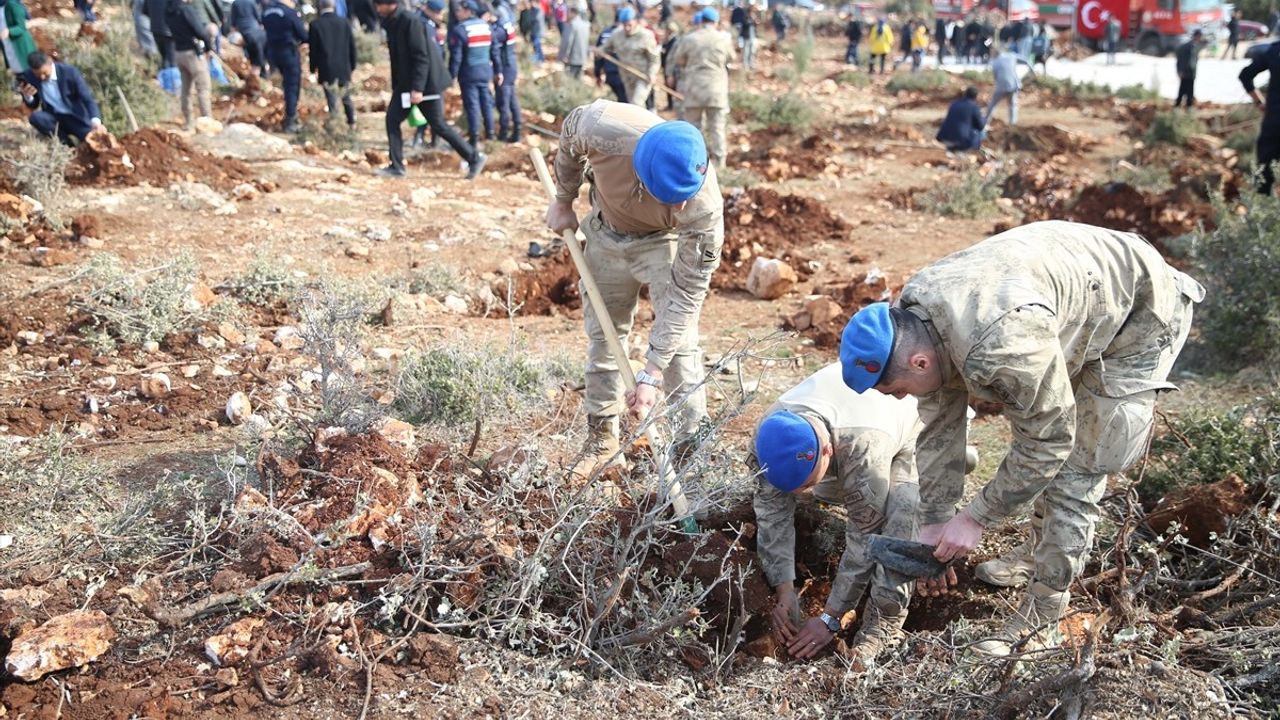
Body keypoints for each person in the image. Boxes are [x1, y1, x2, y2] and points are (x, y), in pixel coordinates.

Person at [839, 221, 1205, 657]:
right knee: (1043, 422)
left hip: (1138, 315)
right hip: (1066, 304)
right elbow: (940, 423)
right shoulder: (915, 317)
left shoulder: (999, 347)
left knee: (1077, 468)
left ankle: (1044, 615)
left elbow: (1049, 440)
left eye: (896, 388)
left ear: (918, 362)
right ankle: (1036, 550)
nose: (899, 397)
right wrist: (935, 518)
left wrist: (976, 518)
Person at [545, 100, 723, 478]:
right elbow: (568, 141)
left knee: (680, 348)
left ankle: (691, 448)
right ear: (641, 175)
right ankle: (601, 440)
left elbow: (688, 293)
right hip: (605, 234)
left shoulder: (703, 210)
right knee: (605, 339)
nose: (683, 203)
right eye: (671, 197)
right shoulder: (600, 127)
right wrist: (564, 199)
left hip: (661, 243)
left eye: (687, 194)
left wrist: (651, 371)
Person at [752, 364, 922, 664]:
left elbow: (864, 537)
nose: (796, 494)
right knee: (816, 493)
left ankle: (883, 626)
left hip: (916, 427)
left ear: (828, 451)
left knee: (902, 512)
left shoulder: (864, 450)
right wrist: (784, 588)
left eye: (804, 484)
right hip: (849, 445)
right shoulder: (770, 437)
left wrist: (831, 617)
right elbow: (771, 512)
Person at [375, 0, 484, 178]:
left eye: (379, 4)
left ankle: (474, 157)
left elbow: (421, 57)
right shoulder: (393, 22)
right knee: (392, 120)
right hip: (407, 85)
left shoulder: (410, 21)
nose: (377, 9)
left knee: (438, 125)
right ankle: (396, 166)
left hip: (426, 84)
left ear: (390, 4)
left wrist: (417, 88)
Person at [669, 7, 732, 168]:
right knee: (717, 126)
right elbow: (731, 57)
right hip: (716, 88)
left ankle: (696, 162)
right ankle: (720, 162)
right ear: (716, 22)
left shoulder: (690, 39)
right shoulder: (724, 38)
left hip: (694, 88)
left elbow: (679, 60)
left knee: (693, 128)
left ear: (701, 21)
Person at [19, 51, 104, 145]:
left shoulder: (69, 72)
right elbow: (34, 104)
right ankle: (67, 145)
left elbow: (87, 98)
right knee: (36, 117)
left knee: (93, 141)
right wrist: (28, 97)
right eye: (38, 75)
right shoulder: (30, 76)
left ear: (50, 62)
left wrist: (96, 121)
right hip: (54, 117)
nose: (42, 77)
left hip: (75, 116)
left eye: (45, 73)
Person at [449, 0, 501, 147]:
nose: (458, 13)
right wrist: (498, 71)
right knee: (486, 103)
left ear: (469, 11)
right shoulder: (487, 27)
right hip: (485, 71)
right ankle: (490, 134)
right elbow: (495, 52)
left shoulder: (460, 30)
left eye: (460, 10)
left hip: (469, 73)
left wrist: (452, 75)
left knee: (472, 105)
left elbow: (456, 57)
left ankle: (474, 137)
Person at [166, 0, 215, 130]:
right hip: (192, 54)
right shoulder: (186, 10)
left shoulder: (169, 10)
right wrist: (209, 47)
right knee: (203, 87)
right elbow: (200, 31)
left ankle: (189, 122)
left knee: (186, 89)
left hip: (178, 52)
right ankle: (207, 120)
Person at [309, 0, 357, 131]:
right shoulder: (345, 23)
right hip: (343, 66)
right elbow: (352, 47)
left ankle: (335, 125)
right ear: (334, 6)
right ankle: (352, 122)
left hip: (326, 67)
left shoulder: (315, 25)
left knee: (331, 99)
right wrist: (352, 65)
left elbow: (313, 50)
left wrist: (312, 68)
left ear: (320, 6)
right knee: (346, 96)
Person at [1240, 39, 1280, 194]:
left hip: (1274, 122)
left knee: (1264, 176)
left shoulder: (1274, 50)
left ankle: (1262, 214)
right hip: (1273, 122)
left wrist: (1259, 102)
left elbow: (1245, 75)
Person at [601, 6, 659, 107]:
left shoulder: (646, 36)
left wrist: (652, 73)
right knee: (631, 104)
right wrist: (599, 51)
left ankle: (643, 122)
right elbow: (605, 48)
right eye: (624, 25)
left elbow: (654, 58)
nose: (627, 28)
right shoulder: (617, 35)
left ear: (635, 21)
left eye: (629, 25)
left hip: (643, 76)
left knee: (637, 102)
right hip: (626, 76)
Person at [262, 0, 306, 132]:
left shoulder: (267, 12)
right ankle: (291, 119)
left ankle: (287, 113)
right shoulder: (289, 13)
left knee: (284, 84)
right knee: (292, 85)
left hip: (272, 53)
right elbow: (302, 34)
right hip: (288, 52)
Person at [492, 0, 523, 142]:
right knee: (512, 100)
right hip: (512, 65)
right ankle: (517, 129)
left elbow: (496, 52)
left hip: (504, 68)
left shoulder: (499, 31)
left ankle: (503, 133)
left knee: (503, 102)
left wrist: (498, 71)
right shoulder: (509, 27)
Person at [986, 47, 1032, 126]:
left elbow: (995, 76)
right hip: (1013, 85)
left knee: (992, 104)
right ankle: (1012, 123)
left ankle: (986, 122)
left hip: (1001, 87)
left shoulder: (995, 62)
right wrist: (1032, 71)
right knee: (1012, 104)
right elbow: (1025, 60)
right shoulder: (1011, 56)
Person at [936, 86, 984, 151]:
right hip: (960, 141)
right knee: (980, 132)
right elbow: (980, 126)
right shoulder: (974, 107)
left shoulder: (954, 103)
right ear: (976, 96)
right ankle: (973, 148)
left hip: (944, 138)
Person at [228, 0, 267, 78]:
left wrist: (233, 31)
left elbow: (233, 20)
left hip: (242, 31)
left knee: (249, 53)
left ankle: (254, 70)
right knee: (258, 53)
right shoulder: (251, 2)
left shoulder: (235, 3)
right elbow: (258, 16)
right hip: (254, 30)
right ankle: (259, 73)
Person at [594, 13, 627, 101]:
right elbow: (599, 53)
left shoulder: (605, 32)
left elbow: (598, 56)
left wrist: (597, 73)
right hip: (622, 72)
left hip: (611, 71)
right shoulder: (624, 35)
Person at [2, 0, 38, 73]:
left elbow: (21, 26)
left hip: (20, 45)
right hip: (8, 46)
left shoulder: (12, 4)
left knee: (30, 71)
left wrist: (10, 31)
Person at [559, 0, 590, 78]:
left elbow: (568, 41)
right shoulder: (586, 25)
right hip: (582, 58)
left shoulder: (572, 24)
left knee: (570, 80)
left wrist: (565, 56)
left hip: (572, 59)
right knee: (578, 80)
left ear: (573, 12)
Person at [1174, 29, 1203, 110]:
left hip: (1188, 73)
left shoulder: (1192, 46)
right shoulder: (1189, 47)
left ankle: (1185, 107)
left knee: (1186, 91)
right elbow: (1184, 60)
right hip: (1187, 73)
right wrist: (1181, 71)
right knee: (1185, 91)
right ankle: (1182, 107)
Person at [739, 4, 757, 70]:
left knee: (752, 51)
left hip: (752, 37)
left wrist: (755, 21)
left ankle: (751, 64)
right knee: (746, 52)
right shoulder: (745, 17)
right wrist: (751, 20)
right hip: (746, 37)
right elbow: (745, 24)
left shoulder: (753, 17)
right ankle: (745, 65)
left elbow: (755, 26)